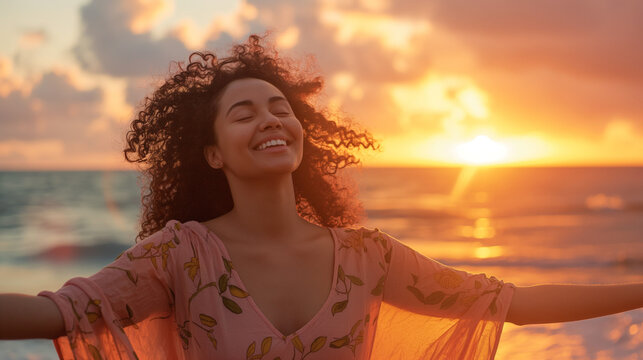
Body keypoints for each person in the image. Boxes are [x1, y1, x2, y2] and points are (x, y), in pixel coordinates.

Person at [0, 34, 641, 360]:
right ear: (213, 152)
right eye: (244, 112)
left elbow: (509, 303)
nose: (271, 119)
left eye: (280, 107)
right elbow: (57, 313)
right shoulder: (181, 256)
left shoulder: (368, 257)